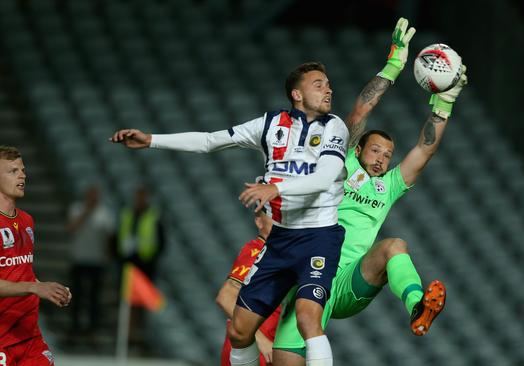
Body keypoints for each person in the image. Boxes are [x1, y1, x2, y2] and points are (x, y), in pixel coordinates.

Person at [110, 59, 351, 365]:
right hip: (280, 240)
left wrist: (275, 189)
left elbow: (325, 177)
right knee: (240, 332)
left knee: (307, 318)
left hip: (318, 236)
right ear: (297, 94)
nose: (328, 89)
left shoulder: (334, 127)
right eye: (319, 84)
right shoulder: (269, 125)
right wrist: (151, 140)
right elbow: (210, 141)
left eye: (329, 84)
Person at [272, 18, 469, 364]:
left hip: (349, 279)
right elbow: (361, 109)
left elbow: (423, 150)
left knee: (394, 246)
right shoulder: (340, 163)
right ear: (358, 149)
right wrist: (394, 65)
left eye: (388, 155)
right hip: (308, 275)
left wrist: (444, 104)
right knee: (284, 358)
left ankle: (418, 306)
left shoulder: (388, 185)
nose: (382, 159)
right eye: (375, 150)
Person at [0, 146, 72, 365]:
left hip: (29, 336)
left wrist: (49, 289)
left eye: (22, 170)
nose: (22, 175)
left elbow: (20, 270)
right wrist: (34, 287)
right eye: (13, 171)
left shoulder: (27, 221)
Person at [216, 208, 280, 365]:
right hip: (255, 351)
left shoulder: (280, 256)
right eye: (274, 216)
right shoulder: (257, 251)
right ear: (259, 221)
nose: (280, 221)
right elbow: (225, 297)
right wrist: (261, 340)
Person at [65, 184, 115, 344]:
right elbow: (71, 228)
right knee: (76, 297)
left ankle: (92, 330)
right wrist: (87, 212)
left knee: (94, 299)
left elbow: (110, 238)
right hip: (79, 259)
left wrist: (108, 255)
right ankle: (75, 328)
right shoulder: (77, 209)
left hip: (96, 261)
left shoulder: (105, 214)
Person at [116, 184, 165, 281]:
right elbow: (118, 236)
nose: (140, 199)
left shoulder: (155, 216)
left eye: (143, 196)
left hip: (147, 262)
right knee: (128, 292)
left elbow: (162, 240)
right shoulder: (126, 214)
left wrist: (153, 258)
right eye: (138, 196)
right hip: (128, 260)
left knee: (146, 292)